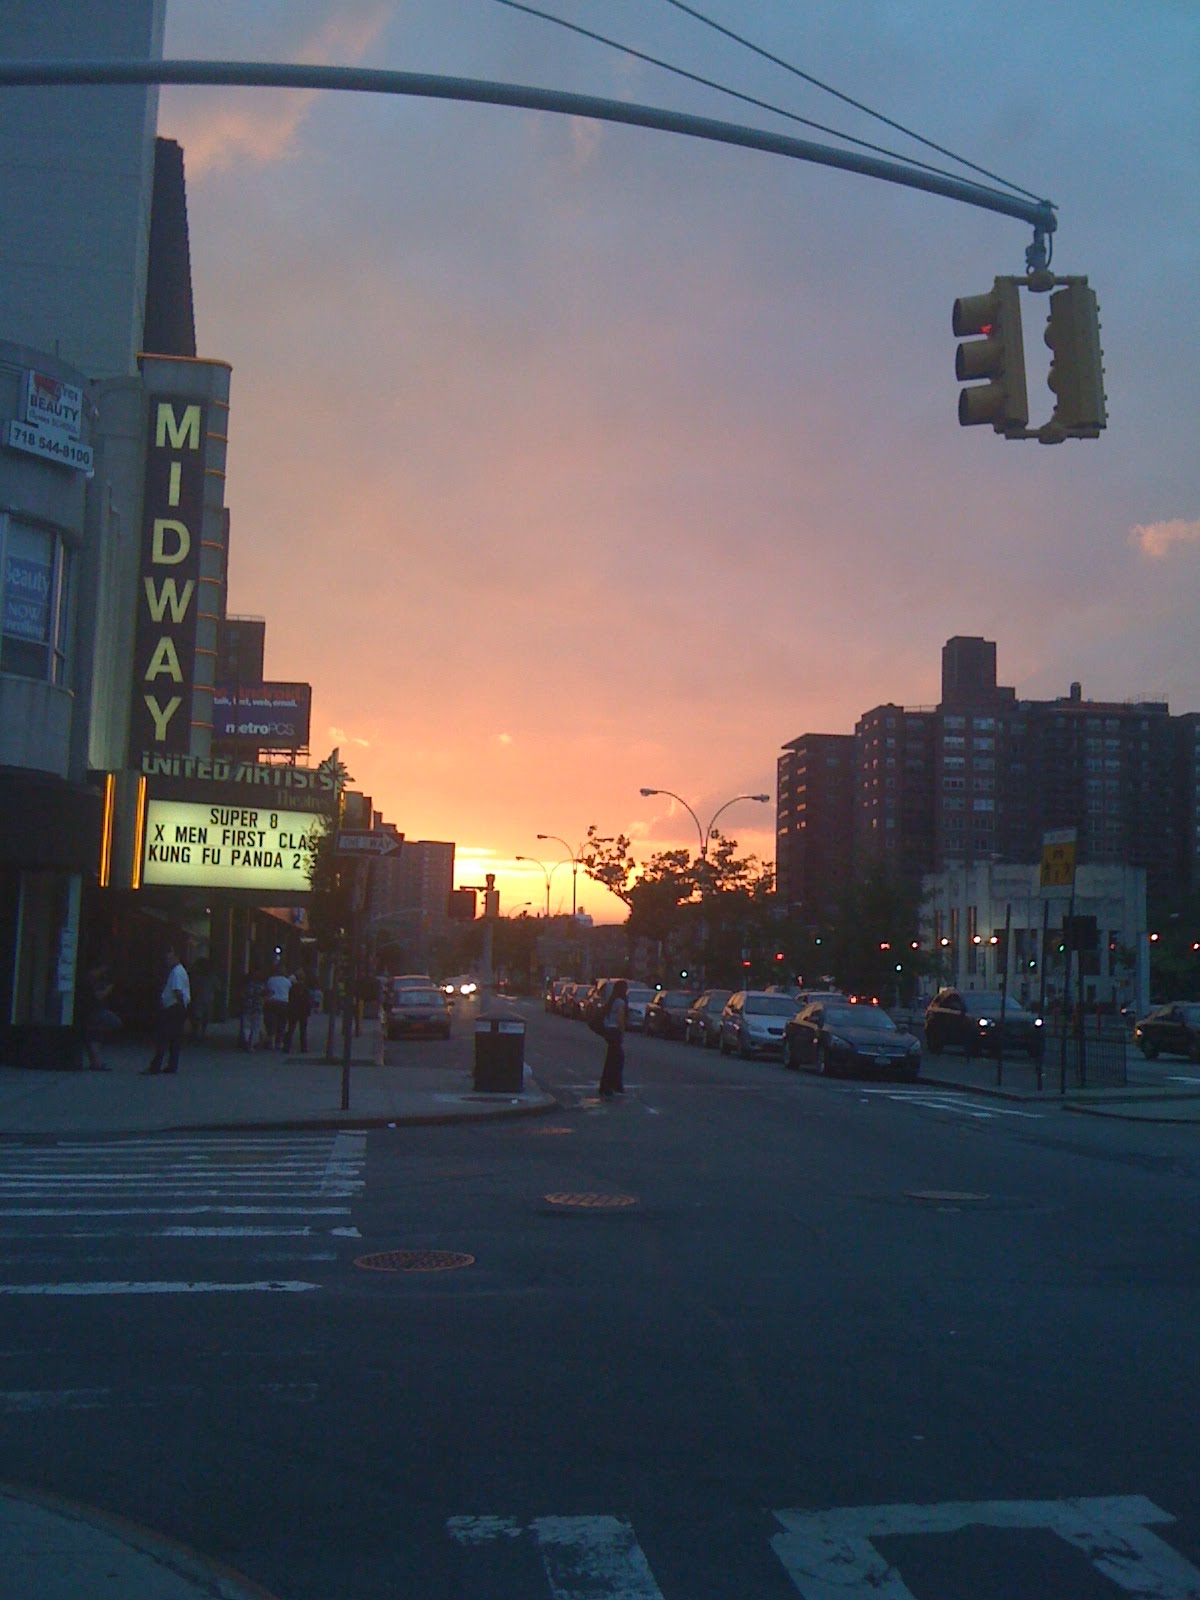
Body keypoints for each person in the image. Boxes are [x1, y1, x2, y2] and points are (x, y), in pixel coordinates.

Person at [142, 947, 190, 1075]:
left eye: (170, 957)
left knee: (163, 1037)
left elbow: (178, 991)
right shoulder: (179, 971)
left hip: (173, 1008)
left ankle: (156, 1065)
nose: (167, 960)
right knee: (174, 1038)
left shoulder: (177, 972)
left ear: (176, 957)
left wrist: (181, 1006)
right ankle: (171, 1065)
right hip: (176, 1007)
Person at [78, 961, 117, 1072]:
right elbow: (98, 995)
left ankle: (95, 1061)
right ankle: (97, 1062)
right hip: (92, 1010)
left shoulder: (89, 978)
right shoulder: (90, 980)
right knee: (96, 1034)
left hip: (89, 1010)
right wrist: (109, 988)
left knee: (93, 1036)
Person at [598, 978, 628, 1099]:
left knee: (613, 1058)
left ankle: (610, 1085)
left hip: (609, 1031)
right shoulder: (620, 1002)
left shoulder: (613, 1000)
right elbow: (620, 1018)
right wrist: (622, 1030)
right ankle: (610, 1085)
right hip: (615, 1031)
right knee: (616, 1059)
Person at [284, 968, 312, 1054]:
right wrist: (308, 1011)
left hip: (293, 1010)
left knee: (291, 1029)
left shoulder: (292, 988)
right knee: (303, 1030)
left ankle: (287, 1047)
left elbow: (289, 999)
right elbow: (308, 1001)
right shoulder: (306, 989)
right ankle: (304, 1048)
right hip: (303, 1011)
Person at [264, 963, 292, 1050]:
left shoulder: (270, 980)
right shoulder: (287, 981)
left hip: (271, 1002)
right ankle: (278, 1042)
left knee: (271, 1022)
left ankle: (271, 1040)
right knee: (281, 1023)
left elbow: (267, 990)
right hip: (283, 1003)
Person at [239, 967, 265, 1052]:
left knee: (246, 1026)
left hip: (247, 1007)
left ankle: (246, 1041)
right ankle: (252, 1044)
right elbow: (267, 993)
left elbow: (242, 995)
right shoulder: (261, 986)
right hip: (257, 1007)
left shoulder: (246, 986)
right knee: (255, 1027)